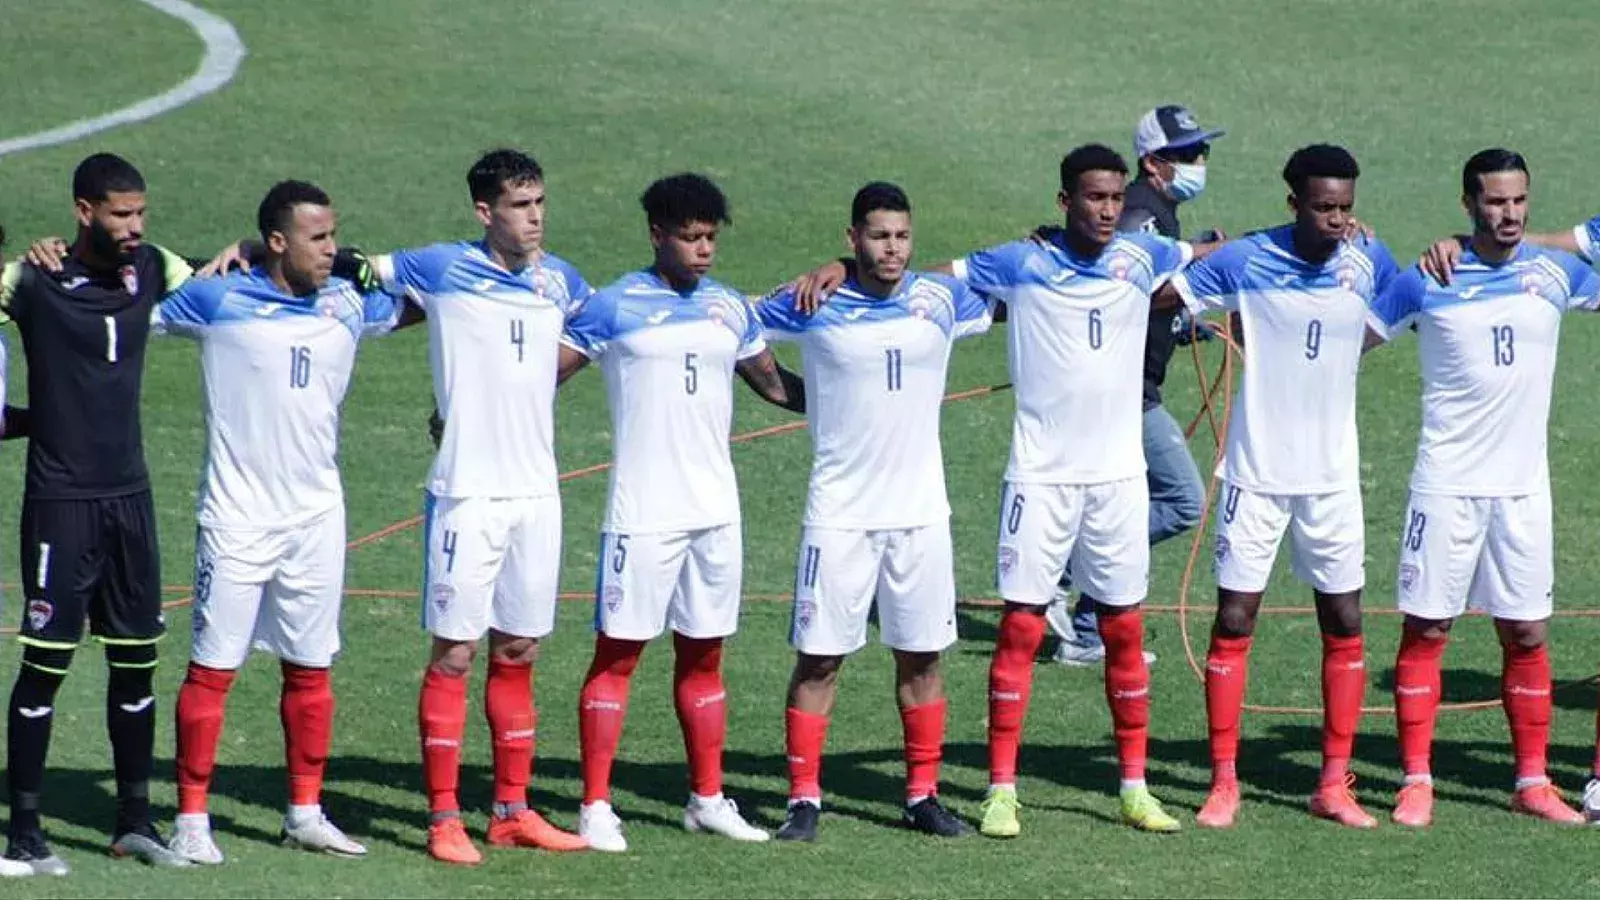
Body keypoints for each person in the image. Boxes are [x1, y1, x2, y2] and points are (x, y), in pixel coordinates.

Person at [157, 181, 416, 864]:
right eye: (318, 238)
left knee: (312, 667)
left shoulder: (347, 301)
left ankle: (305, 810)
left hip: (316, 518)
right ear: (277, 241)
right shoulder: (217, 298)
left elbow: (417, 302)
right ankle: (191, 819)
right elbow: (127, 301)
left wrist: (365, 265)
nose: (331, 249)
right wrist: (204, 258)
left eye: (334, 235)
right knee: (213, 669)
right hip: (238, 519)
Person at [565, 173, 803, 853]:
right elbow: (537, 379)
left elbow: (776, 386)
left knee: (705, 655)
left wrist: (864, 404)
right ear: (657, 235)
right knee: (618, 655)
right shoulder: (611, 307)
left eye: (710, 239)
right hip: (641, 512)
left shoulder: (730, 307)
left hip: (715, 512)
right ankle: (595, 805)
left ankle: (705, 798)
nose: (703, 251)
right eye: (691, 238)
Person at [370, 149, 590, 866]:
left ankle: (511, 811)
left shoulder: (562, 280)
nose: (535, 218)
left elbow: (602, 330)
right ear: (484, 211)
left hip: (537, 493)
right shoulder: (437, 268)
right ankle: (441, 818)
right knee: (457, 653)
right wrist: (250, 251)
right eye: (521, 205)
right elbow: (342, 270)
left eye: (540, 203)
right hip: (466, 494)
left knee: (520, 648)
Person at [754, 182, 991, 842]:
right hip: (839, 514)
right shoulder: (812, 301)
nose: (893, 249)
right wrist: (791, 392)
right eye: (879, 236)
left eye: (902, 236)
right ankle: (803, 799)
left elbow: (1019, 281)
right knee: (821, 659)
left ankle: (922, 795)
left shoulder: (940, 300)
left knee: (922, 657)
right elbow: (738, 326)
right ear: (852, 237)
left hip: (920, 513)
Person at [1171, 145, 1399, 830]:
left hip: (1331, 477)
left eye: (1346, 208)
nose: (1337, 220)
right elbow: (1167, 297)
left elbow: (1394, 307)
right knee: (1235, 618)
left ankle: (1332, 783)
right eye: (1324, 207)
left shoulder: (1367, 257)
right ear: (1293, 202)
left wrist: (1333, 353)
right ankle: (1223, 781)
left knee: (1345, 621)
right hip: (1255, 473)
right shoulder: (1246, 259)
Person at [1372, 149, 1592, 827]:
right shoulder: (1428, 277)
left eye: (1519, 200)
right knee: (1429, 626)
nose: (1511, 214)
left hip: (1524, 491)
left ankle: (1532, 781)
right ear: (1468, 204)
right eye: (1496, 202)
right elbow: (1356, 333)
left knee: (1527, 632)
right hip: (1446, 486)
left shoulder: (1557, 273)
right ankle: (1416, 779)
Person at [0, 153, 192, 874]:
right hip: (61, 505)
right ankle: (24, 833)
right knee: (46, 666)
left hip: (130, 500)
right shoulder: (33, 280)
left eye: (140, 213)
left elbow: (219, 276)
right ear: (84, 212)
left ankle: (134, 824)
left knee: (137, 662)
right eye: (120, 214)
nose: (135, 227)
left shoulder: (152, 269)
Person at [1047, 104, 1220, 667]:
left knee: (1129, 508)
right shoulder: (1142, 217)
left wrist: (1187, 324)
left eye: (1202, 151)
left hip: (1132, 388)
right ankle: (1061, 569)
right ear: (1154, 163)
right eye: (1188, 154)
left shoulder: (1156, 214)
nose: (1200, 162)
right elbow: (1119, 288)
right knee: (1183, 501)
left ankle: (1087, 633)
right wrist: (1196, 284)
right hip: (1122, 396)